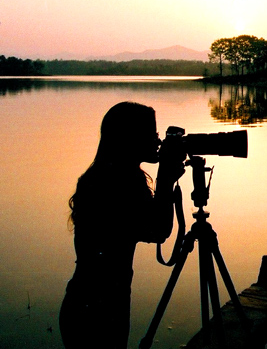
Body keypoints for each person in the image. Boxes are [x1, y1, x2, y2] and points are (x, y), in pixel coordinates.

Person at [59, 101, 185, 349]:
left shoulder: (111, 176)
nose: (158, 142)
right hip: (98, 310)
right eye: (152, 134)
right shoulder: (114, 184)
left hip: (93, 303)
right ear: (130, 138)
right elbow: (158, 230)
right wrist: (166, 179)